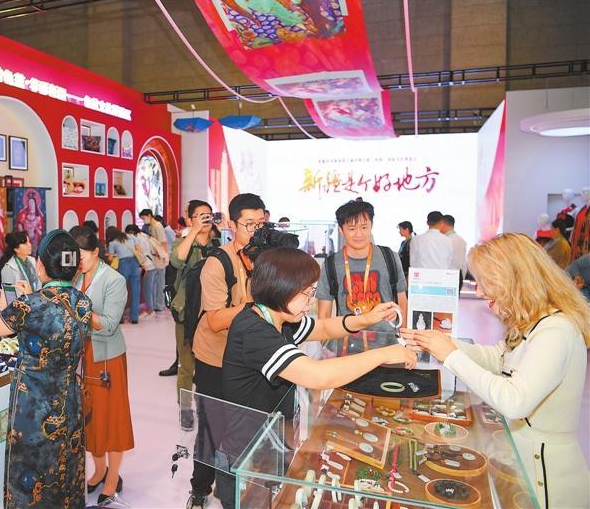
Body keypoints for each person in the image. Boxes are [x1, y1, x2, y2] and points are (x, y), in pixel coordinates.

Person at [216, 248, 417, 506]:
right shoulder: (254, 331)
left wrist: (366, 319)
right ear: (281, 288)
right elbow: (317, 375)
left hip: (270, 441)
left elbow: (322, 328)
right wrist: (384, 354)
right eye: (306, 293)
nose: (310, 301)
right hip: (245, 457)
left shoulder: (278, 317)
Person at [402, 233, 590, 509]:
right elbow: (497, 358)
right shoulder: (534, 321)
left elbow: (515, 401)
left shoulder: (556, 331)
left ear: (512, 278)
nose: (479, 292)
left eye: (484, 282)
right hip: (524, 464)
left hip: (548, 481)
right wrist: (443, 343)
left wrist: (450, 354)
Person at [0, 230, 91, 509]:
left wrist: (1, 307)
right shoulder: (84, 303)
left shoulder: (29, 306)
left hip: (34, 408)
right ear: (75, 267)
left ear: (40, 266)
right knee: (66, 466)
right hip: (69, 400)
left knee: (32, 473)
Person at [187, 193, 262, 508]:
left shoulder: (265, 258)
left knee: (245, 427)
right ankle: (200, 488)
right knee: (211, 428)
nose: (255, 231)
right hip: (215, 358)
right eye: (249, 224)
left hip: (250, 359)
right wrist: (254, 304)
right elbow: (216, 320)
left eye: (261, 224)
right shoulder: (218, 262)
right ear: (232, 224)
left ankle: (236, 486)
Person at [72, 229, 134, 507]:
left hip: (107, 358)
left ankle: (113, 476)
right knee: (89, 417)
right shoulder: (75, 276)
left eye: (82, 256)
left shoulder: (114, 280)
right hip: (81, 356)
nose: (78, 262)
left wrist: (78, 306)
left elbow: (109, 324)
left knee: (112, 418)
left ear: (96, 251)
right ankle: (99, 470)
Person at [168, 200, 221, 429]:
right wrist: (193, 232)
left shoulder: (218, 244)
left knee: (209, 367)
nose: (206, 219)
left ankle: (206, 408)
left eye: (209, 215)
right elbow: (176, 260)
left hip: (212, 314)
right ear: (190, 219)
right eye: (200, 216)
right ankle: (185, 410)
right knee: (187, 366)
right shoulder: (183, 243)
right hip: (187, 314)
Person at [317, 200, 407, 331]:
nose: (359, 234)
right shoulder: (330, 265)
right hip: (346, 339)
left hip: (387, 339)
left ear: (371, 226)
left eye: (364, 227)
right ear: (341, 230)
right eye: (352, 229)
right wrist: (325, 340)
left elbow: (402, 301)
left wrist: (403, 335)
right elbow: (324, 315)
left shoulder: (390, 257)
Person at [106, 226, 141, 324]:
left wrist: (116, 254)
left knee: (121, 292)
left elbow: (110, 258)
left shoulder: (112, 243)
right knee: (135, 291)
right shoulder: (131, 237)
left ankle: (120, 318)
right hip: (134, 263)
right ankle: (134, 318)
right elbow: (139, 249)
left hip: (123, 264)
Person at [139, 209, 168, 311]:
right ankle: (155, 304)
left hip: (159, 258)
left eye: (144, 218)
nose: (143, 220)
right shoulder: (150, 226)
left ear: (149, 215)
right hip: (154, 257)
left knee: (160, 283)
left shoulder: (157, 226)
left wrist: (163, 256)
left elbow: (163, 242)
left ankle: (159, 305)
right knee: (155, 283)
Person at [124, 224, 156, 317]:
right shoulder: (144, 236)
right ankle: (151, 308)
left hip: (146, 265)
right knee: (149, 288)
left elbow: (139, 253)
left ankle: (150, 310)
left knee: (147, 289)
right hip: (151, 263)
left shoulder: (136, 239)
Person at [440, 214, 468, 287]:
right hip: (458, 275)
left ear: (443, 224)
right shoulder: (462, 240)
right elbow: (464, 263)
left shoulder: (445, 240)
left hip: (446, 276)